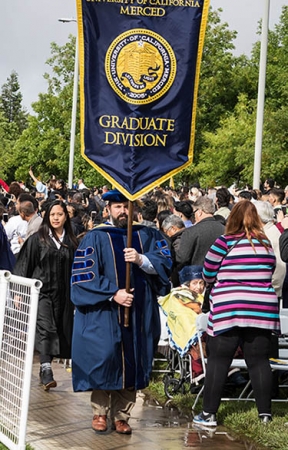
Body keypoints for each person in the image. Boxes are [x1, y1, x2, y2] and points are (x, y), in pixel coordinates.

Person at [70, 189, 171, 435]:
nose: (122, 211)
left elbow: (166, 264)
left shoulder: (148, 235)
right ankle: (100, 412)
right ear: (108, 210)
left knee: (133, 361)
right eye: (117, 207)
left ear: (134, 208)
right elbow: (84, 277)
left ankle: (123, 415)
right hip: (105, 311)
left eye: (126, 206)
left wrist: (141, 259)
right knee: (105, 358)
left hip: (139, 311)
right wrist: (113, 292)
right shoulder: (95, 237)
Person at [193, 200, 280, 427]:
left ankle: (209, 414)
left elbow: (208, 271)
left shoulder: (225, 241)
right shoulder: (265, 243)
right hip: (262, 308)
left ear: (232, 218)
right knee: (259, 361)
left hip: (229, 306)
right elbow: (270, 269)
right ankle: (265, 415)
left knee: (219, 361)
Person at [13, 200, 78, 390]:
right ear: (47, 217)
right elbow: (25, 265)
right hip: (41, 292)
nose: (56, 218)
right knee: (46, 328)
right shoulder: (37, 239)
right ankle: (46, 368)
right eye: (52, 215)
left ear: (66, 216)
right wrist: (19, 293)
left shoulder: (72, 242)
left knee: (59, 328)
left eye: (60, 214)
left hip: (64, 295)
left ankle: (46, 368)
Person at [178, 196, 225, 269]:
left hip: (196, 276)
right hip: (220, 275)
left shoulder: (191, 232)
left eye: (194, 213)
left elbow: (182, 258)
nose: (194, 217)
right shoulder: (225, 230)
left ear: (199, 212)